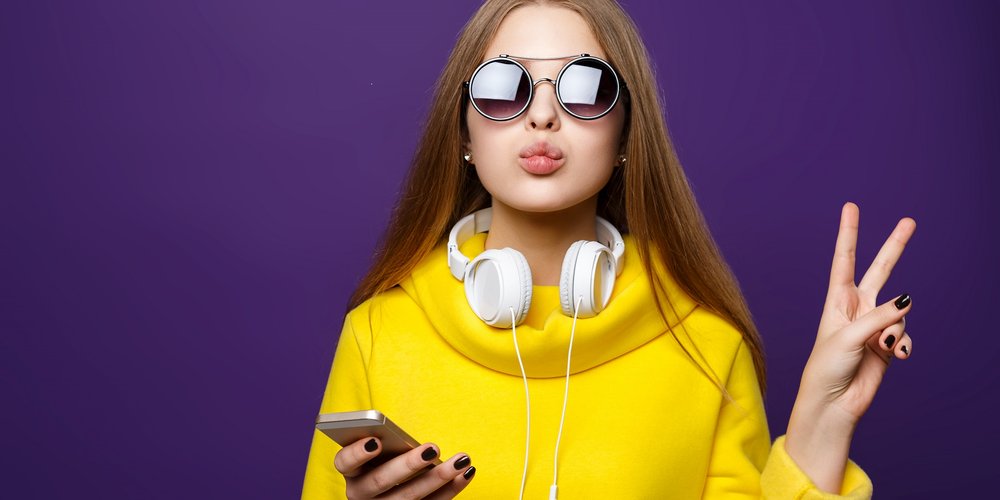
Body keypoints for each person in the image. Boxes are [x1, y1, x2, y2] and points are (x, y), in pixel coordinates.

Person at [302, 1, 916, 498]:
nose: (542, 114)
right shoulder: (379, 334)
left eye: (585, 86)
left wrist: (819, 426)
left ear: (626, 136)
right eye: (502, 86)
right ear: (462, 131)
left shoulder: (706, 345)